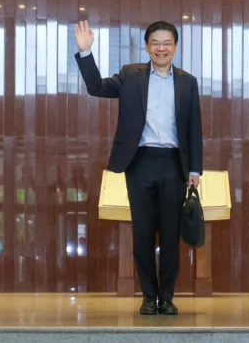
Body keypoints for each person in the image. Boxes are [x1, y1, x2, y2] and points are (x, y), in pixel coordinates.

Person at [74, 19, 202, 315]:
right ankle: (148, 296)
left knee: (170, 236)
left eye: (167, 43)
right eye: (155, 43)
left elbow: (194, 127)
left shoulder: (188, 82)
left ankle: (166, 297)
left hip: (174, 164)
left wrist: (195, 170)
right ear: (147, 47)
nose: (161, 48)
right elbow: (97, 88)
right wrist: (85, 52)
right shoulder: (131, 75)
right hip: (139, 162)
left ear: (175, 47)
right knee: (143, 234)